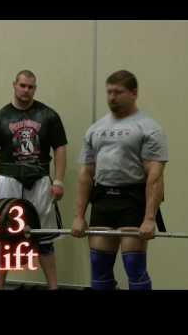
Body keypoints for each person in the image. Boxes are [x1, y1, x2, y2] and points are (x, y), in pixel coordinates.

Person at [72, 70, 168, 290]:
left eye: (118, 92)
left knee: (134, 266)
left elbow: (155, 176)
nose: (112, 97)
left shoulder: (149, 128)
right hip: (103, 200)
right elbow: (86, 174)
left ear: (134, 93)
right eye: (109, 92)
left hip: (132, 201)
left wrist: (150, 218)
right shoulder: (95, 129)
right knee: (99, 268)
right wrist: (78, 216)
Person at [0, 70, 67, 290]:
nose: (26, 90)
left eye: (31, 87)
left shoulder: (49, 116)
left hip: (40, 180)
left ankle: (53, 287)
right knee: (4, 236)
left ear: (35, 89)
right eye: (23, 86)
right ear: (14, 85)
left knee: (43, 238)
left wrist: (59, 181)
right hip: (8, 180)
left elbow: (60, 148)